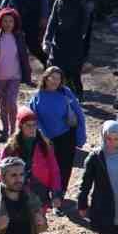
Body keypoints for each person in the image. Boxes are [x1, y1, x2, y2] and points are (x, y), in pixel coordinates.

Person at [27, 66, 86, 199]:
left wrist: (81, 136)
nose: (55, 81)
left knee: (64, 168)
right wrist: (43, 136)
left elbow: (79, 114)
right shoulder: (37, 96)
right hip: (45, 139)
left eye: (58, 79)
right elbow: (34, 119)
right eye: (52, 78)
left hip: (66, 136)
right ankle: (47, 193)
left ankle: (59, 195)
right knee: (48, 167)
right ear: (45, 78)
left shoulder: (66, 93)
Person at [2, 108, 62, 210]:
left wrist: (55, 193)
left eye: (34, 125)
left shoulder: (45, 145)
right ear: (20, 126)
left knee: (39, 222)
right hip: (16, 188)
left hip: (40, 189)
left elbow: (54, 170)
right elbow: (1, 169)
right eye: (28, 125)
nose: (32, 128)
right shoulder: (10, 148)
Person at [0, 8, 31, 139]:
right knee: (2, 105)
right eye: (5, 21)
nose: (8, 24)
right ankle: (5, 129)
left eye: (11, 21)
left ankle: (13, 131)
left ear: (15, 22)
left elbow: (24, 57)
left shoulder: (19, 36)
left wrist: (27, 73)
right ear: (0, 22)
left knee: (11, 102)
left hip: (14, 76)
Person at [43, 0, 90, 96]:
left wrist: (81, 35)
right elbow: (52, 21)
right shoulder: (58, 1)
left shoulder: (80, 1)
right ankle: (58, 94)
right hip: (59, 42)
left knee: (74, 71)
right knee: (57, 69)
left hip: (74, 42)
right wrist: (47, 39)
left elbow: (85, 21)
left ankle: (78, 94)